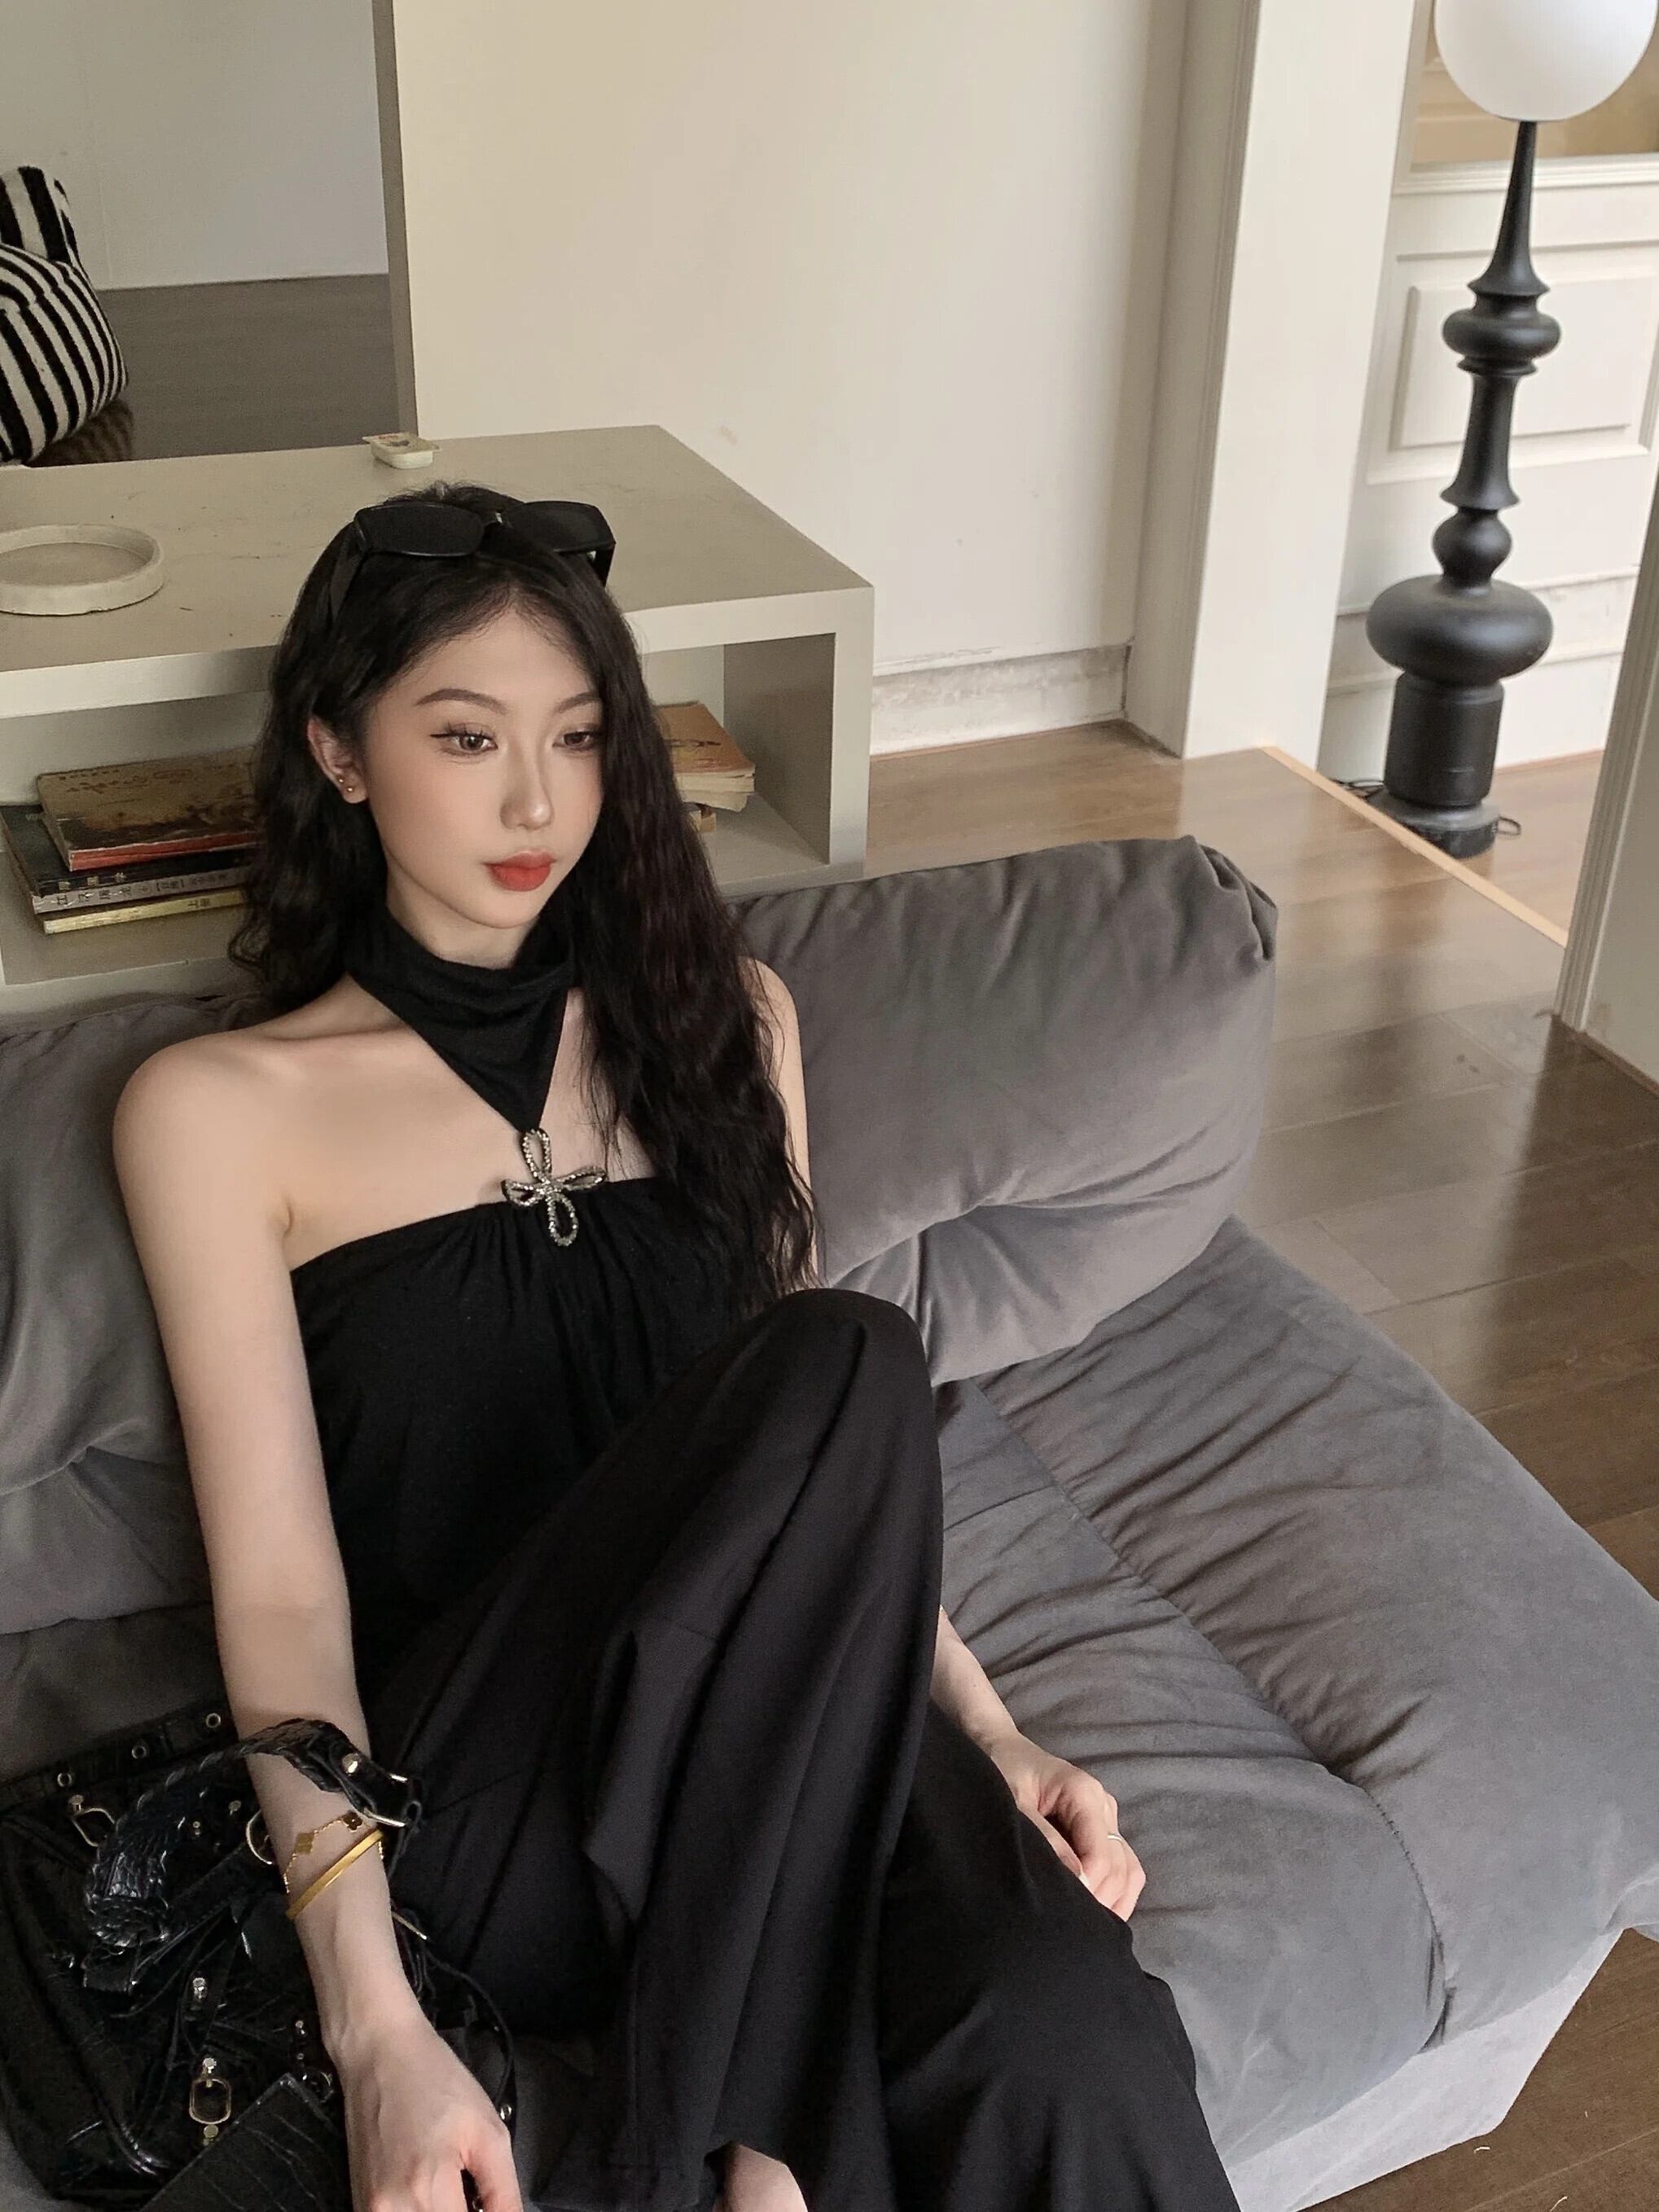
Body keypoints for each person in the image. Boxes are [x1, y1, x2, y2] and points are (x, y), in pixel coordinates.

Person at [111, 480, 1243, 2212]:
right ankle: (729, 2150)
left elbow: (825, 1507)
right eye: (467, 737)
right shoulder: (216, 1111)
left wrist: (987, 1730)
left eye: (579, 736)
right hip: (503, 1800)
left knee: (1063, 2015)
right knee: (846, 1356)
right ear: (338, 751)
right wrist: (377, 2026)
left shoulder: (728, 1022)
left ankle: (761, 2123)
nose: (536, 800)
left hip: (780, 1746)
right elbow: (276, 1600)